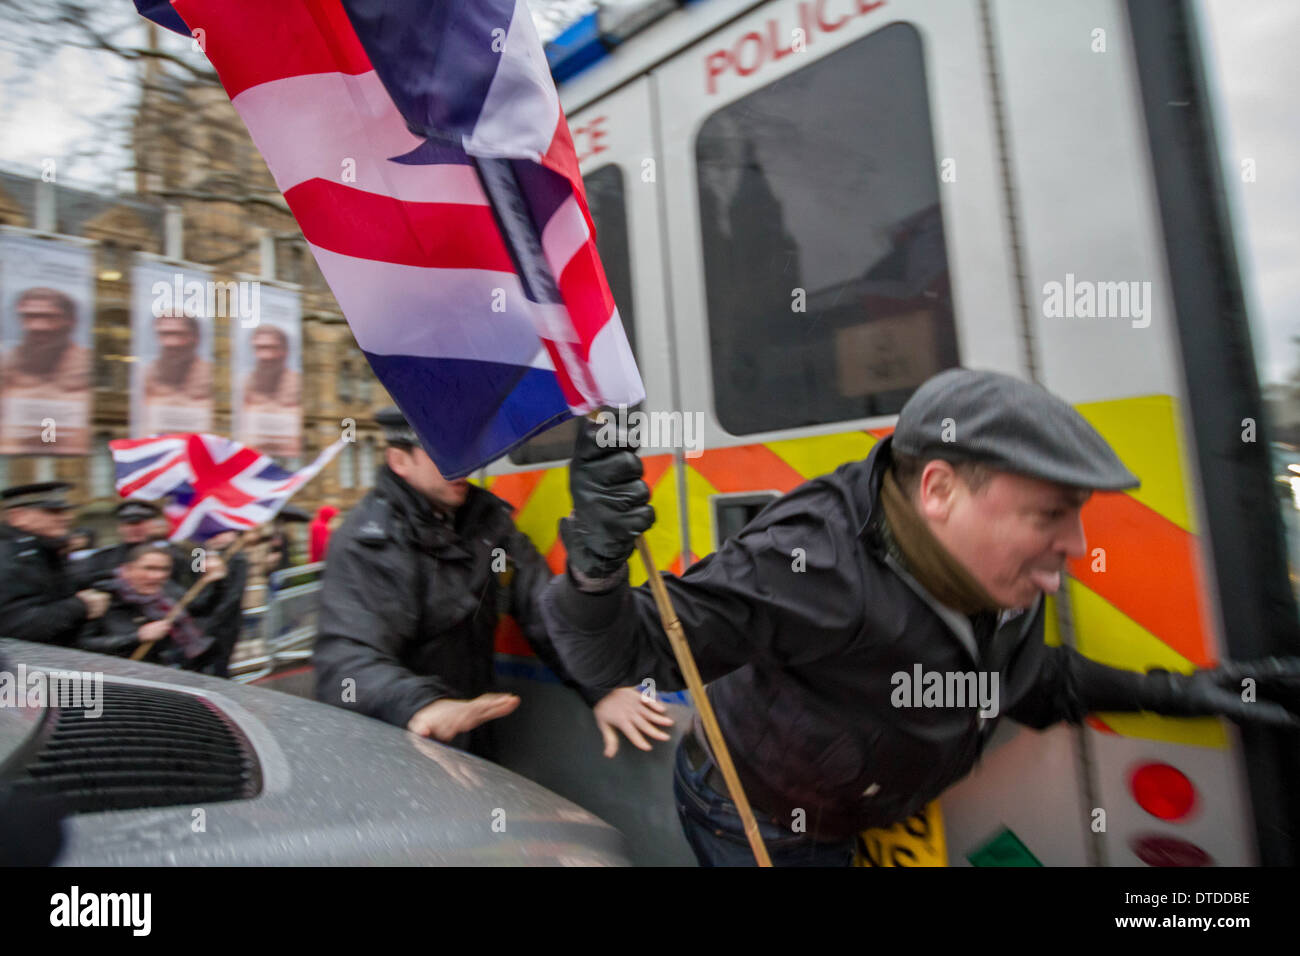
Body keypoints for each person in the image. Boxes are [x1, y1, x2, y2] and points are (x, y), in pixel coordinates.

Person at [541, 368, 1300, 866]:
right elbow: (627, 654)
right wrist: (596, 570)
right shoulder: (812, 565)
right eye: (1051, 516)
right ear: (938, 490)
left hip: (856, 805)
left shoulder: (996, 571)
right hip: (759, 819)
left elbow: (1025, 681)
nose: (1075, 548)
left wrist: (1188, 692)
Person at [312, 407, 672, 761]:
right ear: (399, 460)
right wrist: (422, 706)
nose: (462, 465)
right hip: (397, 750)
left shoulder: (487, 523)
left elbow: (546, 611)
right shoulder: (369, 542)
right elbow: (345, 662)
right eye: (441, 452)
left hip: (474, 742)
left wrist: (601, 687)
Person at [77, 541, 223, 668]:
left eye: (164, 569)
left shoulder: (167, 590)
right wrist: (137, 636)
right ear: (128, 570)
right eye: (149, 568)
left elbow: (199, 607)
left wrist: (214, 582)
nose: (158, 576)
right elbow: (84, 644)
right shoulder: (104, 598)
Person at [0, 482, 108, 645]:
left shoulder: (43, 552)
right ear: (18, 516)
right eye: (52, 511)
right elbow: (12, 627)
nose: (65, 517)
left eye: (65, 511)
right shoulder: (10, 557)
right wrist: (80, 606)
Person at [69, 500, 193, 590]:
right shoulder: (102, 558)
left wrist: (202, 548)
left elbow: (196, 571)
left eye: (140, 523)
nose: (135, 529)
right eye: (129, 524)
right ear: (120, 527)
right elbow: (79, 581)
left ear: (151, 524)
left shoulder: (173, 553)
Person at [142, 311, 212, 406]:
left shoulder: (211, 377)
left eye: (179, 334)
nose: (171, 343)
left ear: (196, 338)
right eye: (165, 334)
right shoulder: (145, 377)